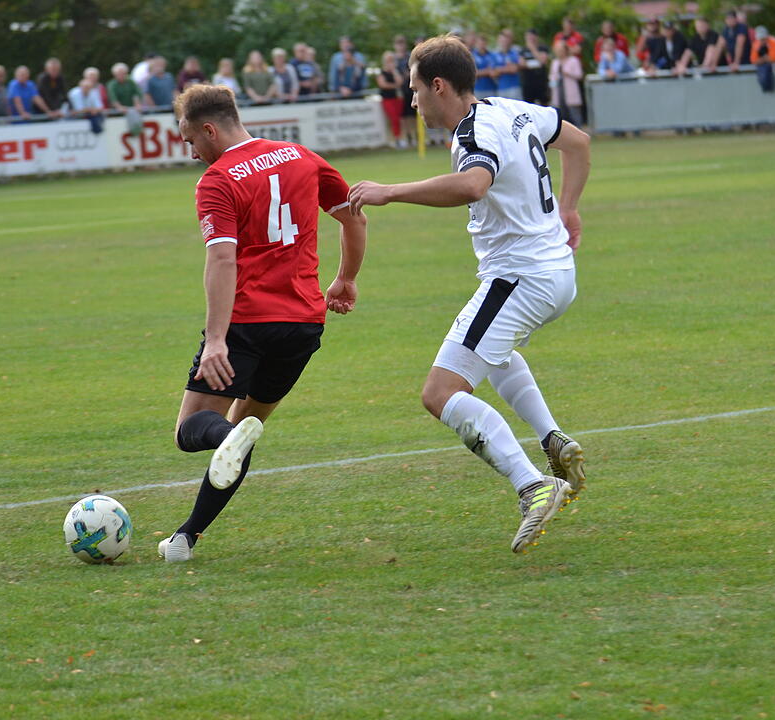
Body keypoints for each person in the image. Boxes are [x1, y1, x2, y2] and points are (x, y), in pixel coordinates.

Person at [348, 34, 590, 554]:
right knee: (493, 354)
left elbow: (473, 185)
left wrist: (390, 191)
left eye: (415, 89)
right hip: (557, 273)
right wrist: (568, 208)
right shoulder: (512, 109)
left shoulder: (472, 132)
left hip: (520, 279)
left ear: (439, 85)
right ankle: (553, 439)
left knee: (439, 393)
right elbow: (579, 142)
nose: (412, 100)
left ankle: (533, 484)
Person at [158, 84, 368, 562]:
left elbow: (222, 259)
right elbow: (354, 218)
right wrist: (346, 279)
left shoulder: (217, 180)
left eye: (191, 141)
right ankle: (186, 539)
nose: (192, 153)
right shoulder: (301, 156)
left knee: (192, 431)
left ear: (210, 130)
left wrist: (216, 339)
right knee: (244, 425)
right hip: (303, 325)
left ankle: (222, 447)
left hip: (247, 325)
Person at [550, 41, 584, 126]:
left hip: (570, 91)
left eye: (561, 50)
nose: (559, 52)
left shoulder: (573, 60)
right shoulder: (555, 62)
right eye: (557, 50)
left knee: (575, 114)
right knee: (561, 115)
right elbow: (551, 75)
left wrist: (568, 73)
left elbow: (579, 75)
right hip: (558, 90)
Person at [377, 51, 405, 147]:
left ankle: (401, 138)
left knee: (399, 119)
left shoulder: (396, 71)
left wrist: (394, 71)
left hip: (397, 98)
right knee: (393, 118)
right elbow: (383, 84)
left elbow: (400, 82)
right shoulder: (382, 72)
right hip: (388, 99)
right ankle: (395, 138)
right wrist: (395, 85)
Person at [520, 29, 551, 105]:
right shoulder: (523, 50)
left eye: (531, 36)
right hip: (528, 82)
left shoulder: (542, 48)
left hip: (541, 82)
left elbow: (543, 61)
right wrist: (536, 63)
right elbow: (522, 64)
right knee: (529, 105)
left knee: (544, 104)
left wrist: (532, 49)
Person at [493, 30, 522, 99]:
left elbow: (514, 69)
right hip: (501, 89)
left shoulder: (516, 51)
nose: (505, 41)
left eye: (507, 38)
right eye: (503, 39)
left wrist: (499, 69)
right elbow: (493, 73)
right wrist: (508, 68)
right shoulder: (495, 53)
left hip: (514, 88)